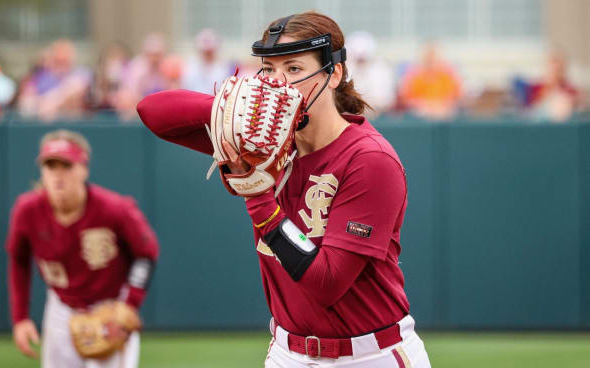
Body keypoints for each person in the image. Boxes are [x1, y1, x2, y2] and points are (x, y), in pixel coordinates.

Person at [138, 11, 430, 368]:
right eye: (269, 70)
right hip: (287, 353)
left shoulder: (369, 158)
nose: (278, 84)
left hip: (369, 355)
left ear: (334, 73)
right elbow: (152, 111)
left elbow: (326, 282)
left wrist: (258, 197)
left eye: (293, 69)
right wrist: (233, 107)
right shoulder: (265, 139)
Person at [6, 129, 159, 368]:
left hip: (109, 309)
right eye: (50, 166)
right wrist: (20, 318)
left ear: (84, 169)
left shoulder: (115, 209)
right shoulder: (27, 210)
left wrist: (129, 305)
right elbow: (18, 259)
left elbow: (147, 253)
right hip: (61, 308)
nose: (57, 175)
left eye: (66, 166)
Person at [17, 40, 92, 122]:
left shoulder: (81, 74)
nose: (61, 66)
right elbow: (26, 107)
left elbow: (77, 89)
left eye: (65, 61)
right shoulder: (40, 78)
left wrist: (50, 102)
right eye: (58, 61)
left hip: (77, 124)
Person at [398, 42, 462, 120]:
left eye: (434, 57)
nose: (432, 61)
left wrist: (441, 106)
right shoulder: (414, 75)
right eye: (429, 57)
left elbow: (457, 97)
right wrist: (424, 105)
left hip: (444, 113)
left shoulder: (449, 75)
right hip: (420, 114)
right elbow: (406, 98)